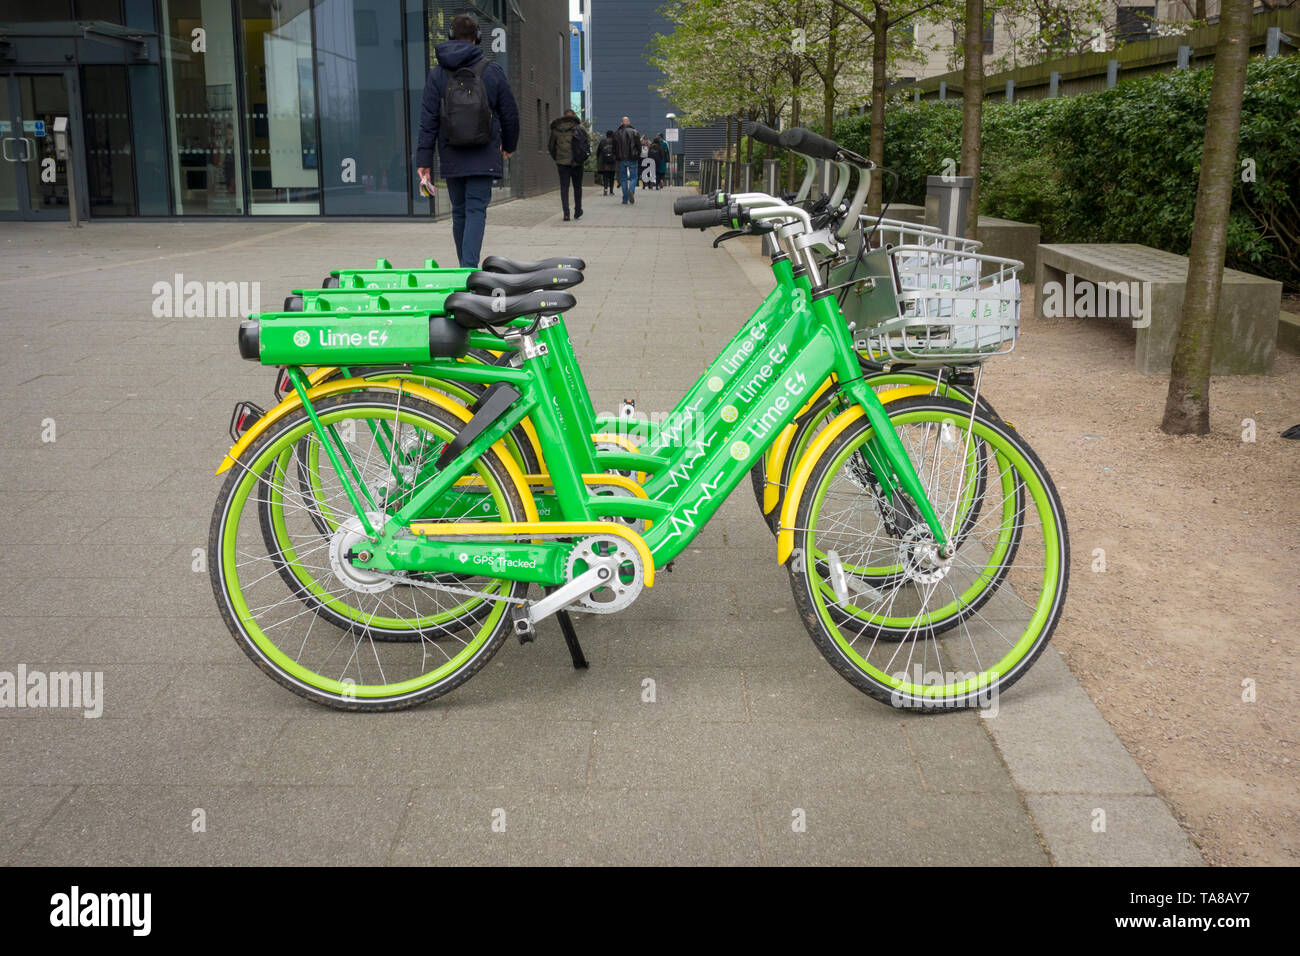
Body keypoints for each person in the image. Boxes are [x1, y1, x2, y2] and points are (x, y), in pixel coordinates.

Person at [415, 13, 519, 268]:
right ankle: (468, 269)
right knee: (475, 210)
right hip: (484, 153)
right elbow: (510, 113)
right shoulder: (492, 71)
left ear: (451, 36)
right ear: (478, 38)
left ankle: (465, 266)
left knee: (459, 212)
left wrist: (424, 160)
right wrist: (510, 144)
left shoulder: (437, 75)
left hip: (452, 153)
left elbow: (428, 120)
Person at [548, 109, 587, 221]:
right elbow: (585, 145)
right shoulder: (580, 128)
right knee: (577, 187)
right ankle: (578, 211)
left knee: (564, 188)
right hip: (577, 163)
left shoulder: (556, 129)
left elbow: (551, 147)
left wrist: (558, 158)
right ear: (574, 116)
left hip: (562, 163)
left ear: (563, 117)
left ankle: (566, 213)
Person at [613, 116, 640, 205]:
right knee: (634, 177)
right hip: (632, 158)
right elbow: (638, 146)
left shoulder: (616, 133)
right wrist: (637, 154)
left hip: (621, 159)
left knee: (623, 179)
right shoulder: (635, 132)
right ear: (629, 122)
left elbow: (614, 147)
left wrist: (616, 156)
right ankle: (631, 190)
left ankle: (625, 199)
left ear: (621, 123)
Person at [596, 130, 616, 195]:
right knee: (612, 177)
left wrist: (598, 160)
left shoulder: (602, 142)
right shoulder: (614, 142)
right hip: (613, 162)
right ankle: (611, 191)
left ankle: (605, 189)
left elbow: (598, 152)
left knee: (605, 176)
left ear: (606, 135)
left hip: (604, 163)